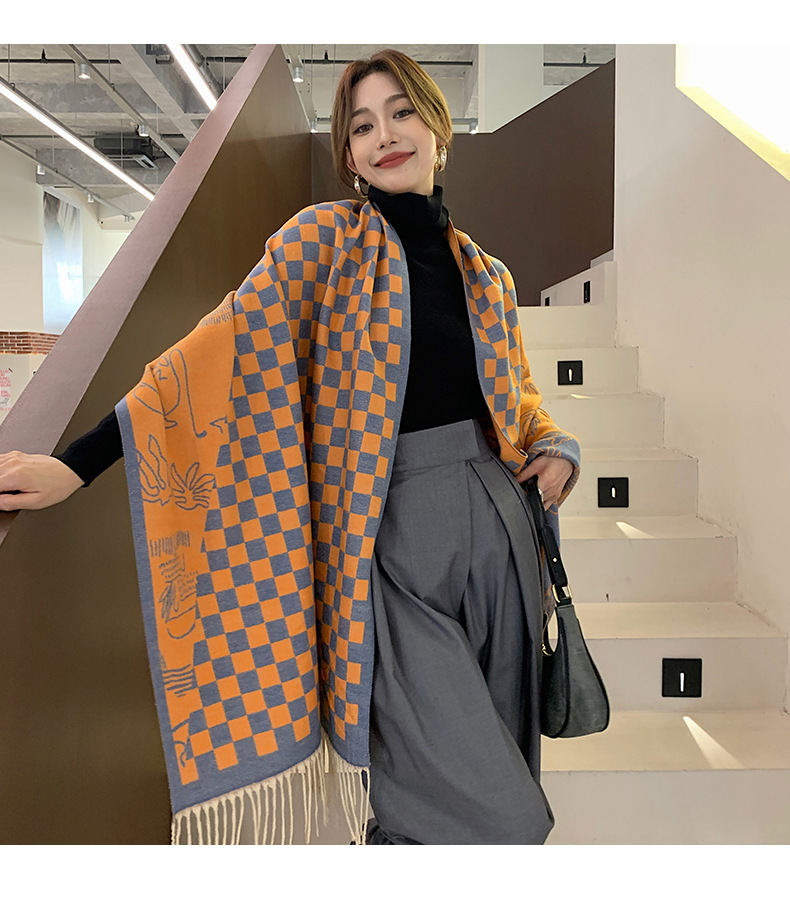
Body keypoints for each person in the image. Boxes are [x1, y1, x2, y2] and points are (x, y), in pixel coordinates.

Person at [0, 49, 580, 845]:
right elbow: (207, 357)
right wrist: (76, 463)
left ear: (438, 127)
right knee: (493, 812)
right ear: (348, 155)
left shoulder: (488, 276)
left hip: (500, 530)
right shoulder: (323, 243)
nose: (385, 136)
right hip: (388, 542)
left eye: (402, 113)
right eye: (362, 126)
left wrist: (556, 446)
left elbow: (518, 400)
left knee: (479, 768)